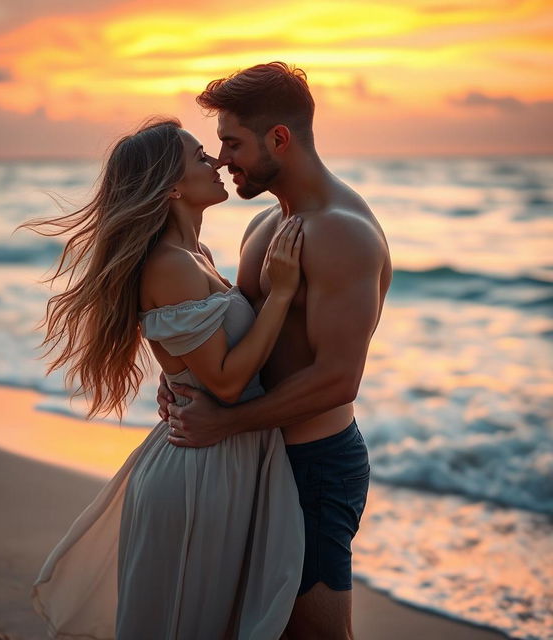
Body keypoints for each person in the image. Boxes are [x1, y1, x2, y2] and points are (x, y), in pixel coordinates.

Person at [23, 118, 306, 639]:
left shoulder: (196, 257)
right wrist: (283, 293)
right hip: (200, 474)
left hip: (219, 459)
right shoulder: (170, 265)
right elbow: (223, 382)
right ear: (172, 186)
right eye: (201, 157)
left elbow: (200, 362)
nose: (217, 162)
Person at [157, 62, 392, 640]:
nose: (222, 159)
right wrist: (186, 375)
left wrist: (225, 423)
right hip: (254, 458)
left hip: (313, 467)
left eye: (232, 143)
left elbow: (338, 379)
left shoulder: (341, 233)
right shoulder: (264, 223)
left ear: (279, 139)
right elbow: (242, 332)